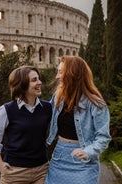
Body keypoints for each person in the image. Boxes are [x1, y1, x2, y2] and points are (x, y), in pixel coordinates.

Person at [45, 56, 112, 184]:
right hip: (59, 158)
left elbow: (103, 137)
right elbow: (42, 116)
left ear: (72, 74)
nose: (57, 77)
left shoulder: (96, 104)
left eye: (60, 72)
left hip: (84, 163)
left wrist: (88, 152)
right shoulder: (57, 98)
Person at [0, 65, 52, 184]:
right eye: (34, 80)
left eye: (38, 78)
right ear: (22, 85)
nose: (39, 82)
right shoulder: (7, 110)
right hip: (14, 173)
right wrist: (0, 165)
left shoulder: (47, 108)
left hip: (42, 171)